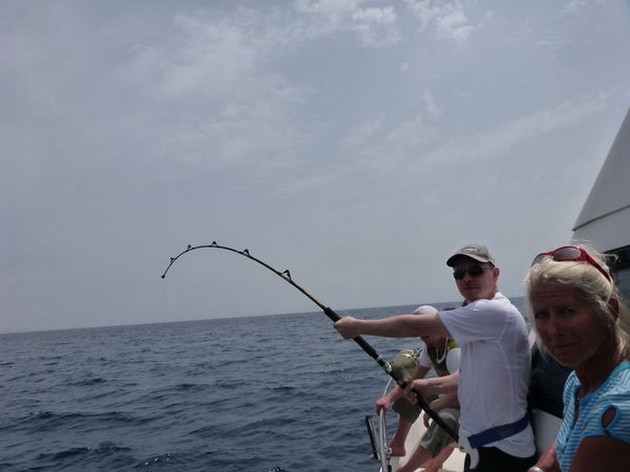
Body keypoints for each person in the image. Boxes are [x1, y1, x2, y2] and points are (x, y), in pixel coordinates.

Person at [335, 244, 536, 471]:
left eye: (475, 271)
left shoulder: (493, 312)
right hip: (485, 446)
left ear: (495, 273)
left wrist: (358, 326)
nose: (467, 278)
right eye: (459, 274)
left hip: (503, 451)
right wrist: (428, 385)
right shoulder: (485, 319)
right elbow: (471, 376)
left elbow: (410, 326)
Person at [525, 244, 630, 472]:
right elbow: (570, 439)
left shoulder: (619, 406)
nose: (553, 330)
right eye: (542, 315)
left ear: (610, 311)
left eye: (566, 311)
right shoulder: (577, 382)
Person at [377, 304, 461, 472]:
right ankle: (399, 443)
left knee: (445, 419)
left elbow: (467, 394)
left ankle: (411, 469)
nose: (424, 332)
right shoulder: (430, 349)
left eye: (428, 326)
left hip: (471, 400)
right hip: (452, 394)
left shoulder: (454, 351)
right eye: (419, 328)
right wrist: (389, 398)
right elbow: (413, 381)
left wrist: (438, 405)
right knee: (412, 390)